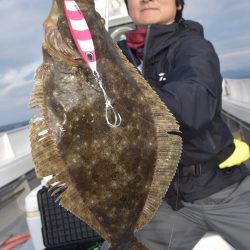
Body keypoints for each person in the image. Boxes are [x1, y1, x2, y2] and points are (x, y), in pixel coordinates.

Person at [100, 0, 250, 249]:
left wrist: (124, 97)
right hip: (164, 199)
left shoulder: (193, 47)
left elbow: (194, 110)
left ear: (178, 5)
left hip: (222, 188)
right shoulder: (113, 58)